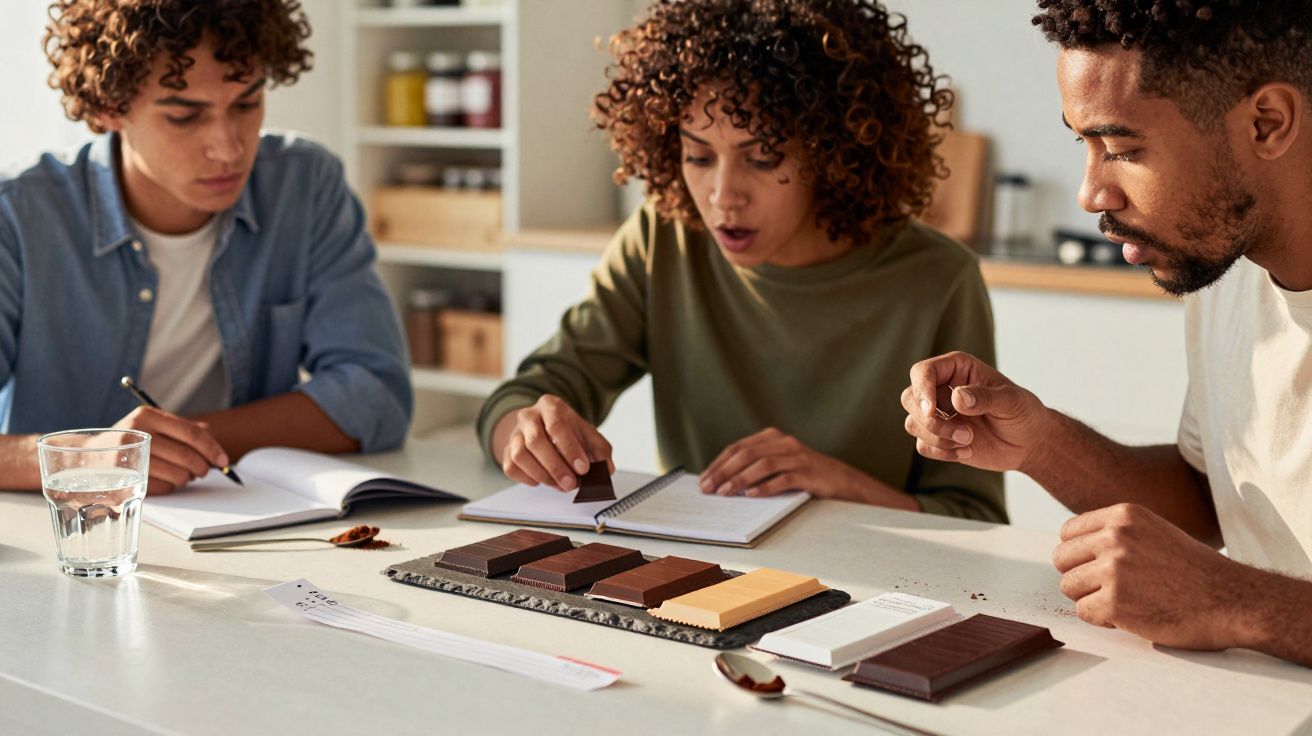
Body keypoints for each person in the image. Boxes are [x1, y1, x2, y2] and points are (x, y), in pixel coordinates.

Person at [476, 0, 1004, 521]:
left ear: (832, 151)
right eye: (699, 157)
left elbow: (973, 519)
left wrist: (838, 484)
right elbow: (526, 394)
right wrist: (523, 429)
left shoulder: (938, 278)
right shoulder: (664, 239)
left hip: (880, 585)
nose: (723, 196)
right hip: (696, 578)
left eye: (761, 158)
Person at [903, 0, 1312, 665]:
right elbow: (1212, 496)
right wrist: (1037, 441)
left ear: (1266, 123)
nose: (1091, 193)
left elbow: (1224, 586)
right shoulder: (1229, 274)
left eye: (1121, 149)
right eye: (1084, 144)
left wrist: (1229, 600)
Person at [0, 0, 412, 494]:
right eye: (184, 117)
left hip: (240, 523)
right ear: (110, 106)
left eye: (246, 104)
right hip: (68, 540)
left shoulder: (303, 186)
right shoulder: (19, 216)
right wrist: (85, 457)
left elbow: (377, 396)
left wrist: (162, 447)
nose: (229, 148)